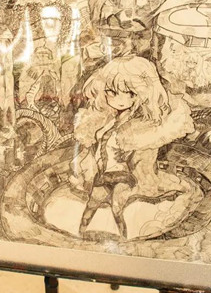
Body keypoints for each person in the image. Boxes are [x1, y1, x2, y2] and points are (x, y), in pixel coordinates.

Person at [70, 55, 196, 239]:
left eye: (130, 93)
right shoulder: (108, 118)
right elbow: (95, 144)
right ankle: (80, 234)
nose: (121, 100)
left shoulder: (138, 124)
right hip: (103, 174)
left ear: (141, 94)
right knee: (92, 204)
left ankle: (125, 239)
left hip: (123, 175)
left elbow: (142, 151)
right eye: (112, 92)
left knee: (117, 206)